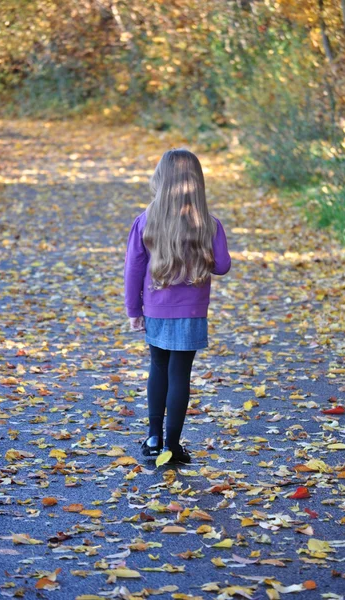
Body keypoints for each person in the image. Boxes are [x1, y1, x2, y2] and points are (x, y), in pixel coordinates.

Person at [124, 148, 231, 463]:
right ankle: (172, 446)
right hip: (192, 312)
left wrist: (134, 310)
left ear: (161, 180)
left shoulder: (146, 221)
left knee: (158, 367)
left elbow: (133, 269)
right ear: (196, 183)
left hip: (156, 310)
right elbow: (222, 265)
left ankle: (153, 439)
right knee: (180, 374)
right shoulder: (208, 224)